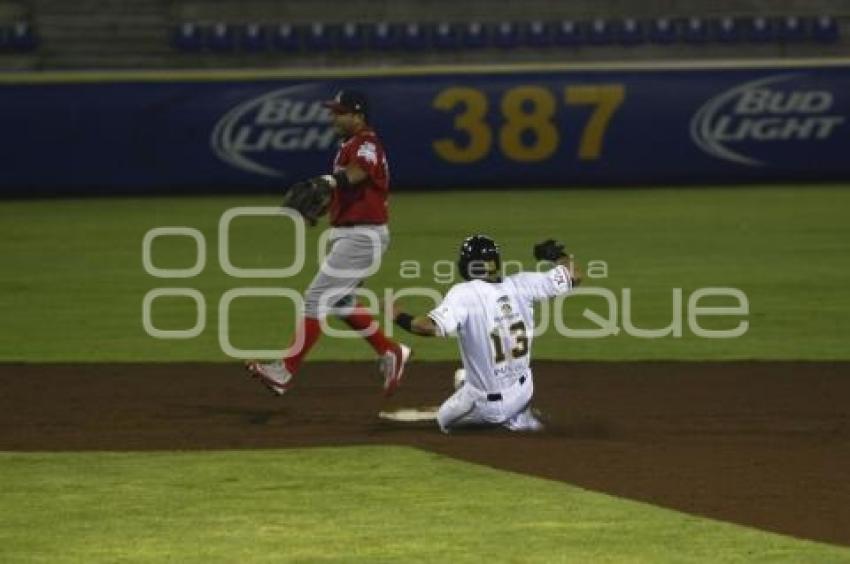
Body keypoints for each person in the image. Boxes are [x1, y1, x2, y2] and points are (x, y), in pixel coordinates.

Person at [246, 89, 411, 397]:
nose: (333, 116)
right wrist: (324, 208)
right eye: (333, 111)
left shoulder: (366, 143)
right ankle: (391, 352)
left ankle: (284, 371)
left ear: (358, 115)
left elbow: (361, 172)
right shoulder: (348, 145)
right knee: (340, 302)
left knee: (315, 299)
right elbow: (349, 188)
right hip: (353, 233)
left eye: (340, 112)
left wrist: (331, 181)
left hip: (363, 236)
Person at [389, 235, 581, 432]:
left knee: (443, 420)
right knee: (468, 378)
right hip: (525, 390)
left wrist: (396, 316)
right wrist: (558, 255)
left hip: (491, 406)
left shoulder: (465, 293)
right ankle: (519, 412)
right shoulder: (522, 283)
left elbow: (428, 327)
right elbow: (574, 275)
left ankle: (508, 422)